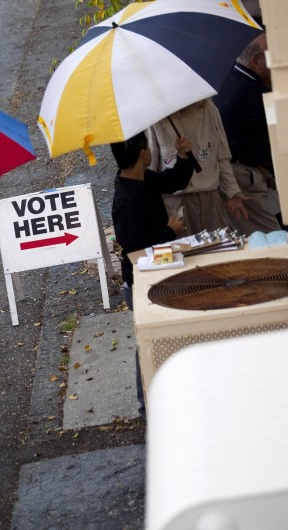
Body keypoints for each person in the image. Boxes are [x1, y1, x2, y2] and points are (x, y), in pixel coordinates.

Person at [111, 131, 194, 417]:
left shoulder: (142, 179)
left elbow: (173, 181)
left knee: (165, 338)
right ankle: (147, 407)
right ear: (142, 153)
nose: (150, 152)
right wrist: (169, 232)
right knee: (148, 344)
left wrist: (184, 156)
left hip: (159, 271)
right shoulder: (125, 197)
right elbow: (134, 247)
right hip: (139, 281)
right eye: (146, 147)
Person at [214, 31, 285, 232]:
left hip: (245, 167)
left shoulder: (228, 75)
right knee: (271, 234)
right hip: (240, 175)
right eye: (272, 55)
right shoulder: (253, 93)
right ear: (255, 62)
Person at [145, 99, 250, 234]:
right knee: (186, 254)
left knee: (220, 251)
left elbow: (222, 157)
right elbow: (149, 170)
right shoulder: (154, 118)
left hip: (211, 201)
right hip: (176, 205)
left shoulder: (209, 109)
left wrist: (233, 192)